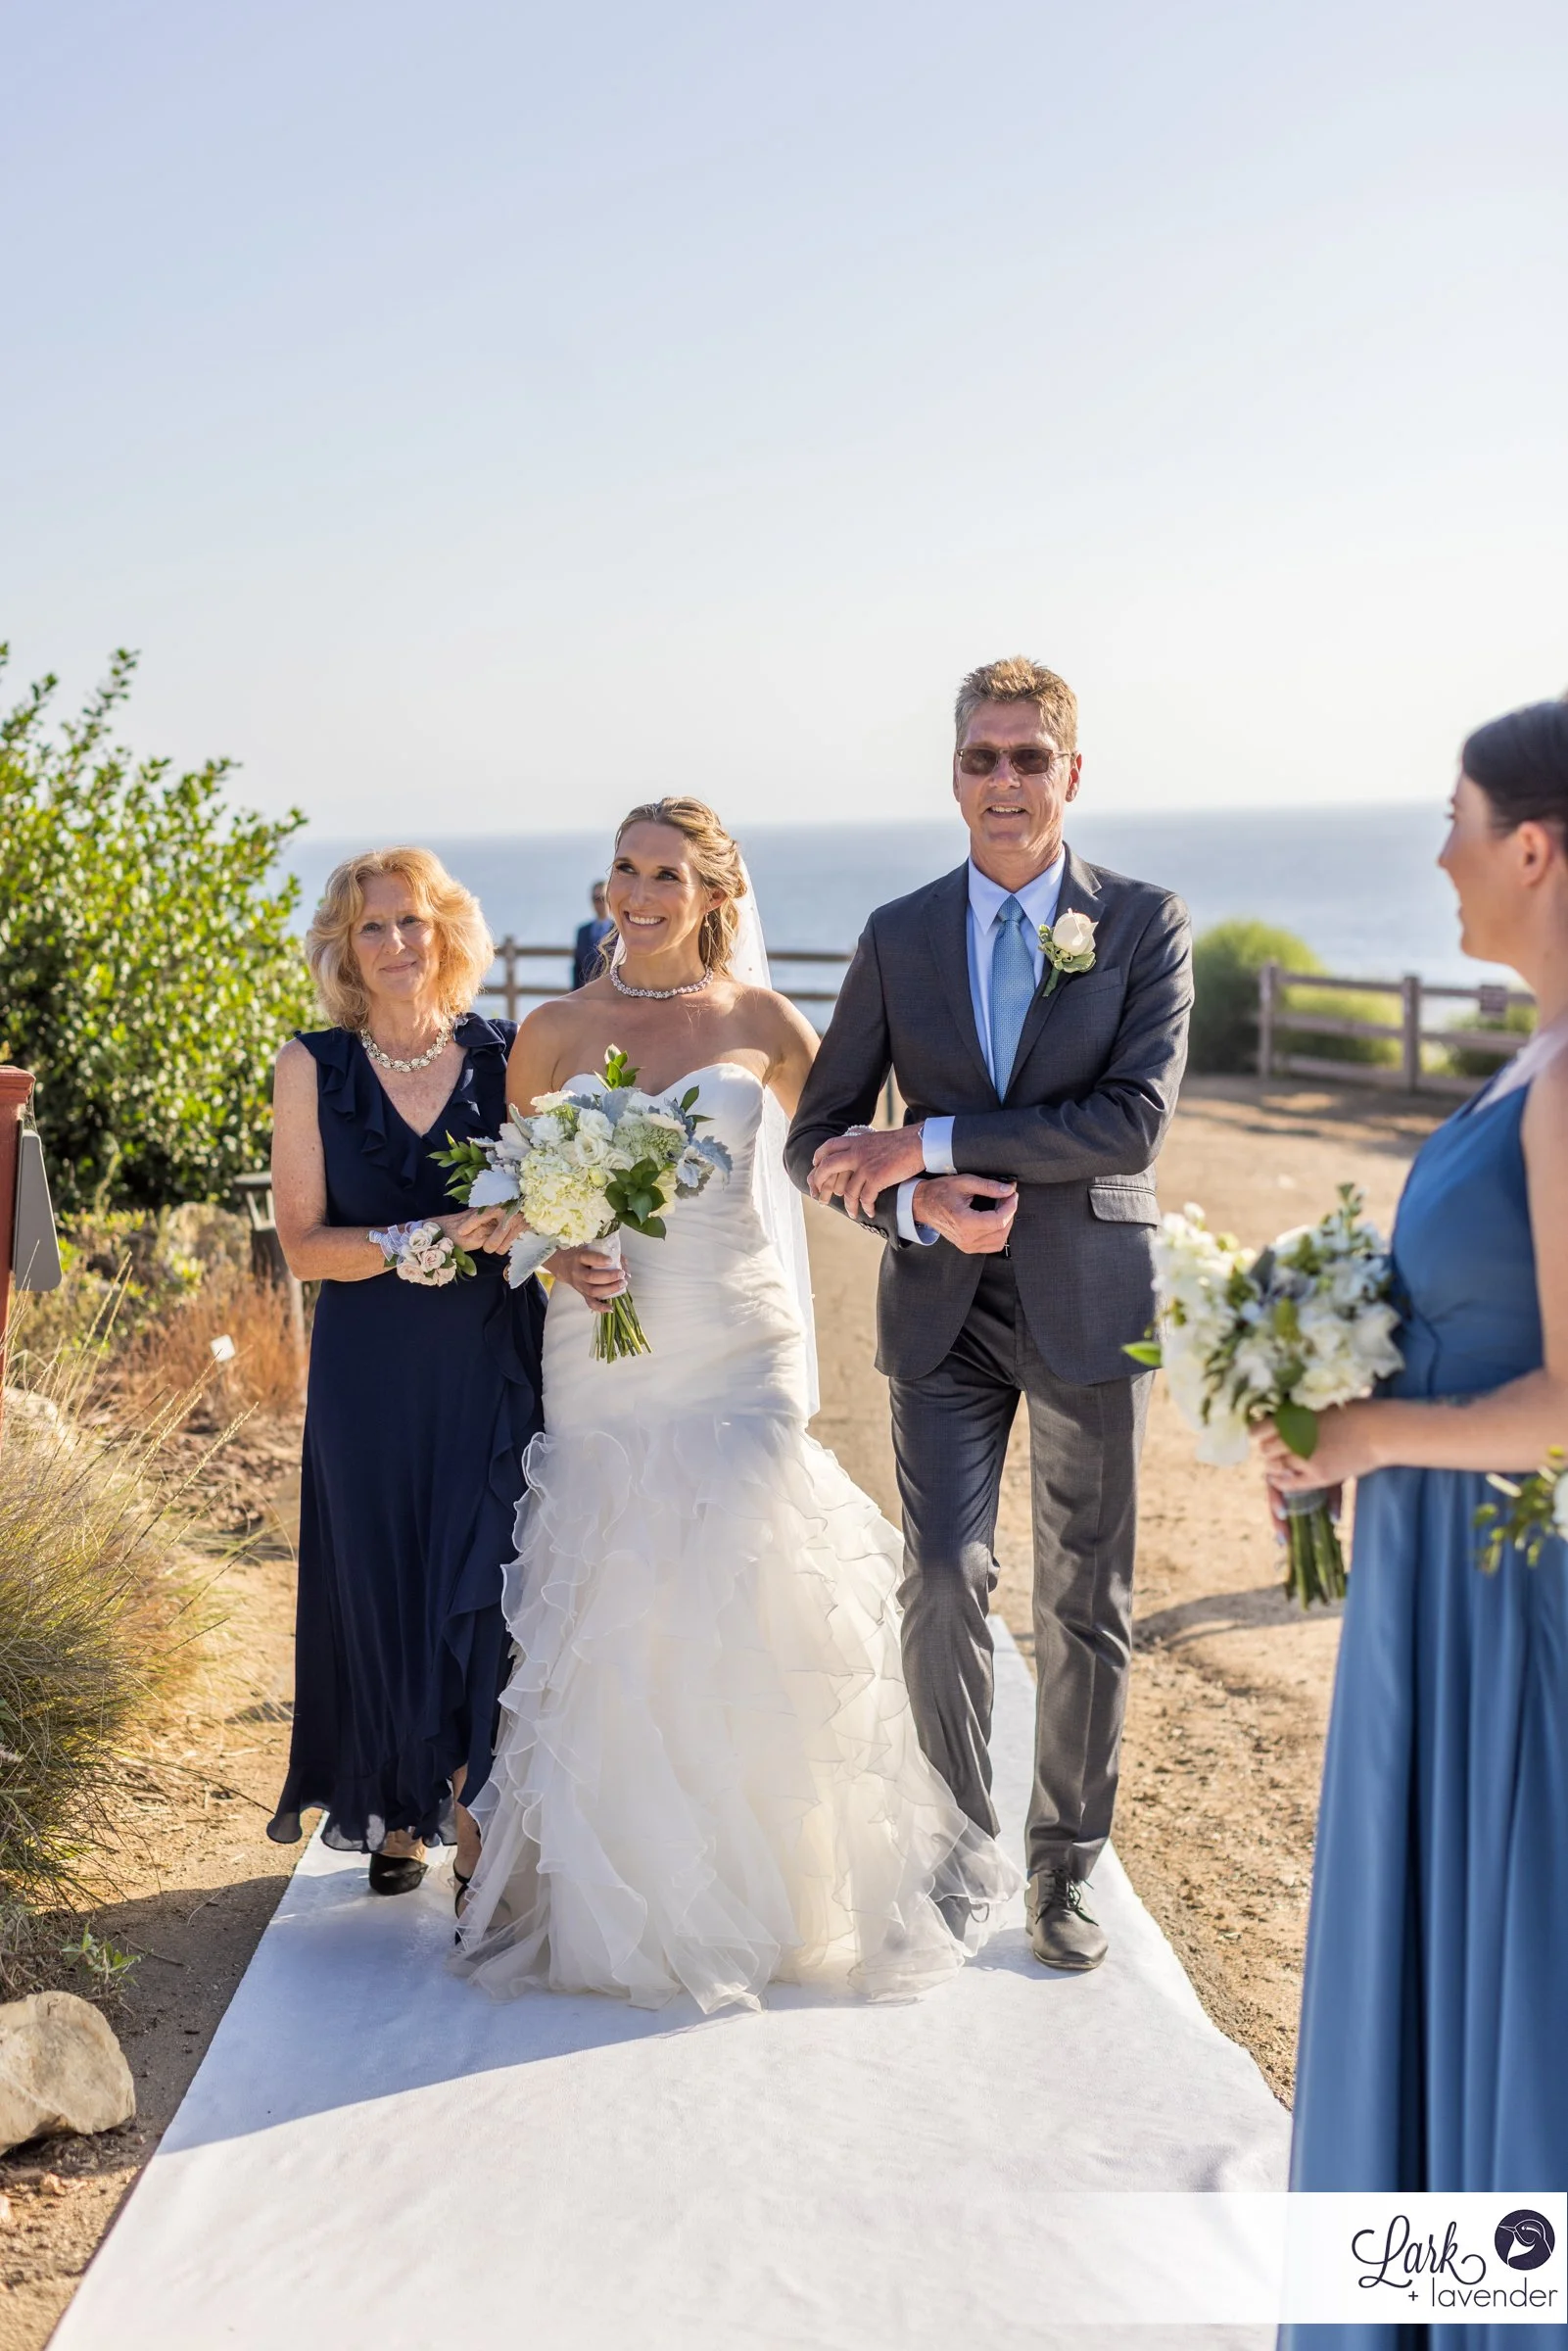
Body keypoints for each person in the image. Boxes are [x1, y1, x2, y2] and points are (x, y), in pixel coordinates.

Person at [453, 796, 1019, 2012]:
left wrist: (923, 1201)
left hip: (738, 1336)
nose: (637, 893)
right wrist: (560, 1252)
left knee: (751, 1574)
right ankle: (634, 1899)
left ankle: (782, 1891)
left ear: (715, 895)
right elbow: (515, 1201)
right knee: (619, 1593)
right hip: (603, 1347)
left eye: (665, 874)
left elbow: (837, 1158)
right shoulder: (549, 1031)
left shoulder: (762, 1022)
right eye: (624, 868)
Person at [785, 656, 1193, 1973]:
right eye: (981, 757)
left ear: (1072, 773)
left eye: (1028, 758)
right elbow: (818, 1139)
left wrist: (933, 1141)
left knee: (1084, 1595)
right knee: (943, 1572)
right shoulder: (898, 934)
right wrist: (911, 1205)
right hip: (940, 1308)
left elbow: (1129, 1121)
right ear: (953, 774)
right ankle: (957, 1841)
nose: (1004, 780)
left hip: (1091, 1298)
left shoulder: (1142, 923)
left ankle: (1063, 1866)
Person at [1262, 699, 1568, 2351]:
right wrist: (1332, 1409)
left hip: (1507, 1595)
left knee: (1508, 1959)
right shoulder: (1531, 1058)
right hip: (1434, 1569)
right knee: (1446, 1950)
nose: (1437, 855)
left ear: (1533, 847)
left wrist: (1368, 1431)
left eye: (1454, 819)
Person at [269, 846, 546, 1899]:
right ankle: (397, 1805)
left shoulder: (508, 1054)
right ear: (344, 950)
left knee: (485, 1576)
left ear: (446, 932)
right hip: (370, 1374)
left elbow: (550, 1202)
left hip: (489, 1360)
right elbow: (303, 1245)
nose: (394, 943)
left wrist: (525, 1222)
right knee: (383, 1578)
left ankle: (474, 1814)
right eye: (370, 928)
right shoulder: (311, 1066)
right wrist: (418, 1238)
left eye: (411, 921)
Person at [572, 878, 614, 990]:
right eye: (595, 899)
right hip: (585, 992)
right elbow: (577, 967)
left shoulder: (618, 931)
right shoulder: (582, 932)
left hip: (610, 993)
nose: (599, 903)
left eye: (602, 898)